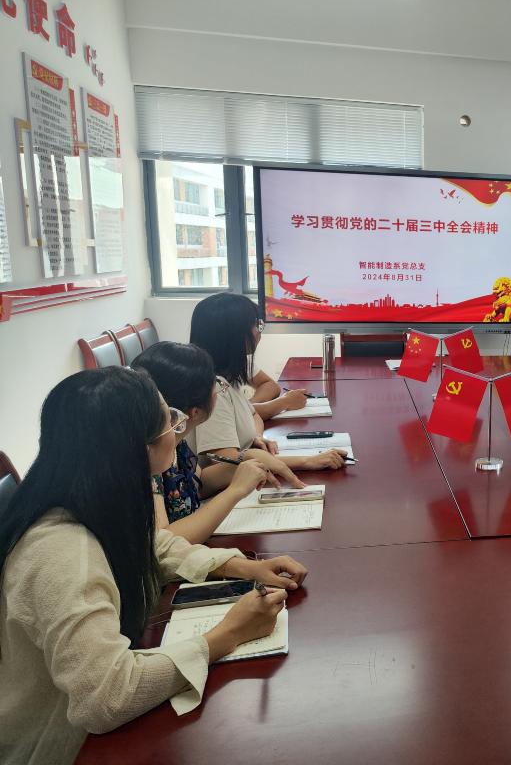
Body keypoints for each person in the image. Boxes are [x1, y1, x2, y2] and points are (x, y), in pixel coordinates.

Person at [0, 367, 309, 764]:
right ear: (136, 447)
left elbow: (155, 547)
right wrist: (229, 633)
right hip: (62, 748)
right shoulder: (62, 552)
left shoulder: (90, 495)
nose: (178, 429)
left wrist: (241, 567)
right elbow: (107, 696)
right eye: (170, 421)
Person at [131, 341, 297, 544]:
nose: (218, 387)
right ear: (195, 412)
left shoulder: (176, 440)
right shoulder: (149, 458)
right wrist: (235, 491)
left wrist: (244, 462)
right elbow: (165, 544)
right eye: (214, 384)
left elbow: (198, 484)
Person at [189, 293, 349, 473]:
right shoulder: (215, 390)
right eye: (256, 325)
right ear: (235, 335)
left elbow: (254, 415)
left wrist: (254, 437)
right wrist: (307, 461)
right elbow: (226, 463)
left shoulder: (229, 377)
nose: (259, 331)